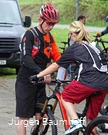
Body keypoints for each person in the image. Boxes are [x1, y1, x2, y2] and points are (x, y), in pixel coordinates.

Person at [30, 21, 108, 134]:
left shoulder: (75, 47)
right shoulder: (95, 45)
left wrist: (38, 75)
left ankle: (75, 122)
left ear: (72, 34)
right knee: (90, 121)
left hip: (87, 81)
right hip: (103, 84)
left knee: (66, 96)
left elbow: (56, 65)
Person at [15, 3, 65, 135]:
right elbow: (25, 58)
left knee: (41, 116)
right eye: (48, 23)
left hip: (41, 80)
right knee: (23, 118)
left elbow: (57, 57)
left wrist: (72, 64)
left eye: (53, 24)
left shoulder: (50, 37)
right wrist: (41, 72)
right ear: (41, 19)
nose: (50, 27)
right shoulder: (30, 34)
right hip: (26, 80)